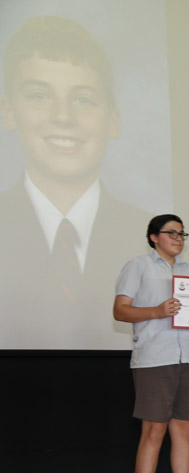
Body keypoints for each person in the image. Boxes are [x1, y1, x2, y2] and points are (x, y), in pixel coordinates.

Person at [1, 15, 151, 350]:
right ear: (8, 111)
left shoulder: (146, 235)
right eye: (39, 95)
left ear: (113, 120)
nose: (63, 116)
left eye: (82, 99)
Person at [113, 214, 189, 473]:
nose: (178, 238)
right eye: (171, 233)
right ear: (154, 237)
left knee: (184, 432)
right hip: (155, 358)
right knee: (153, 431)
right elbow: (120, 310)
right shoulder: (138, 266)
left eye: (182, 233)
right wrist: (157, 311)